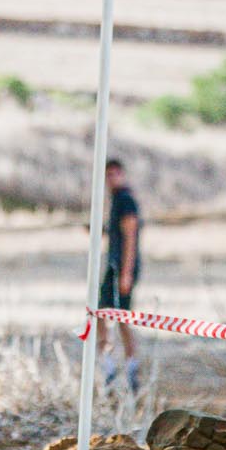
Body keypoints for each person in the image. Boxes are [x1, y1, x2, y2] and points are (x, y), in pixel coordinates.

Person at [97, 158, 143, 391]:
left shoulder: (125, 201)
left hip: (122, 268)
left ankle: (129, 365)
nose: (111, 179)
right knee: (104, 313)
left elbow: (130, 237)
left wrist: (126, 273)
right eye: (108, 175)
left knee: (121, 317)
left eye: (115, 173)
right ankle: (109, 364)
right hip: (115, 266)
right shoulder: (116, 200)